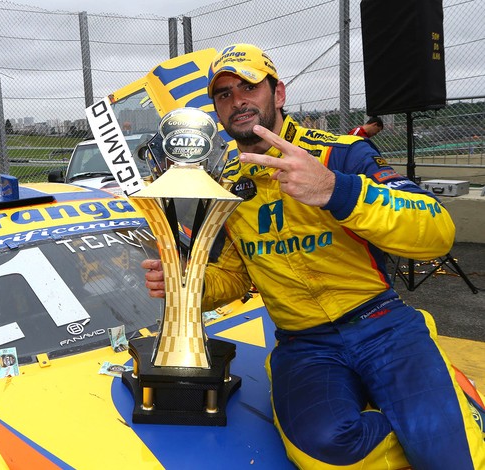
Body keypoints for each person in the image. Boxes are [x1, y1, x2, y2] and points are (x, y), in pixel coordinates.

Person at [142, 44, 485, 469]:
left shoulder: (341, 152)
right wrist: (185, 283)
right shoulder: (223, 179)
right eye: (224, 94)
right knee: (322, 452)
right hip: (304, 343)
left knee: (451, 456)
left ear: (278, 94)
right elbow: (233, 276)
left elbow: (437, 232)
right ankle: (421, 414)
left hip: (382, 324)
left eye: (248, 86)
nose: (237, 101)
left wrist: (336, 190)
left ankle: (446, 411)